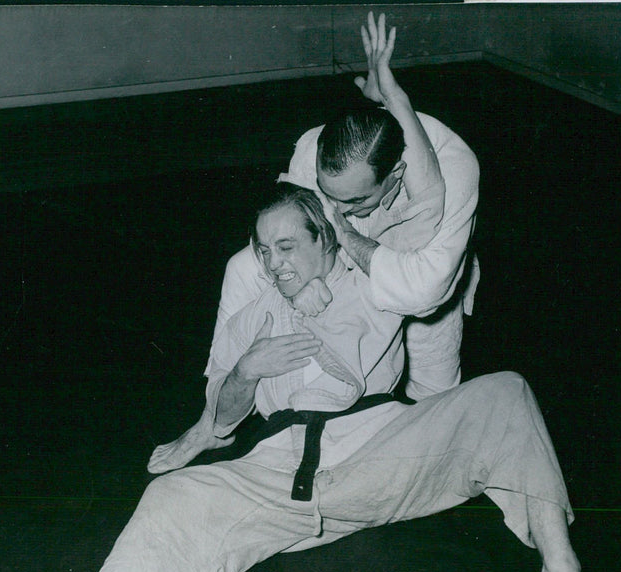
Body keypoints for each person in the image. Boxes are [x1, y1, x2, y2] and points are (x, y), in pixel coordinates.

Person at [0, 183, 614, 572]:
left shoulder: (372, 291)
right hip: (279, 470)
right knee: (173, 498)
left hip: (379, 453)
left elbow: (354, 367)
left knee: (505, 391)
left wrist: (321, 316)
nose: (273, 263)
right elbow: (220, 419)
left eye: (288, 247)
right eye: (263, 249)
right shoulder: (250, 315)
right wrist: (248, 368)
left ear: (325, 242)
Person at [147, 12, 480, 474]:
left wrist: (342, 236)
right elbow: (279, 221)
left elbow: (419, 293)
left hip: (423, 276)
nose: (339, 208)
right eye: (330, 196)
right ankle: (212, 422)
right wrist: (297, 281)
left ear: (395, 177)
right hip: (341, 262)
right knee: (243, 266)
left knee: (435, 391)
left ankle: (437, 446)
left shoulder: (456, 170)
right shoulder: (313, 147)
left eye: (356, 200)